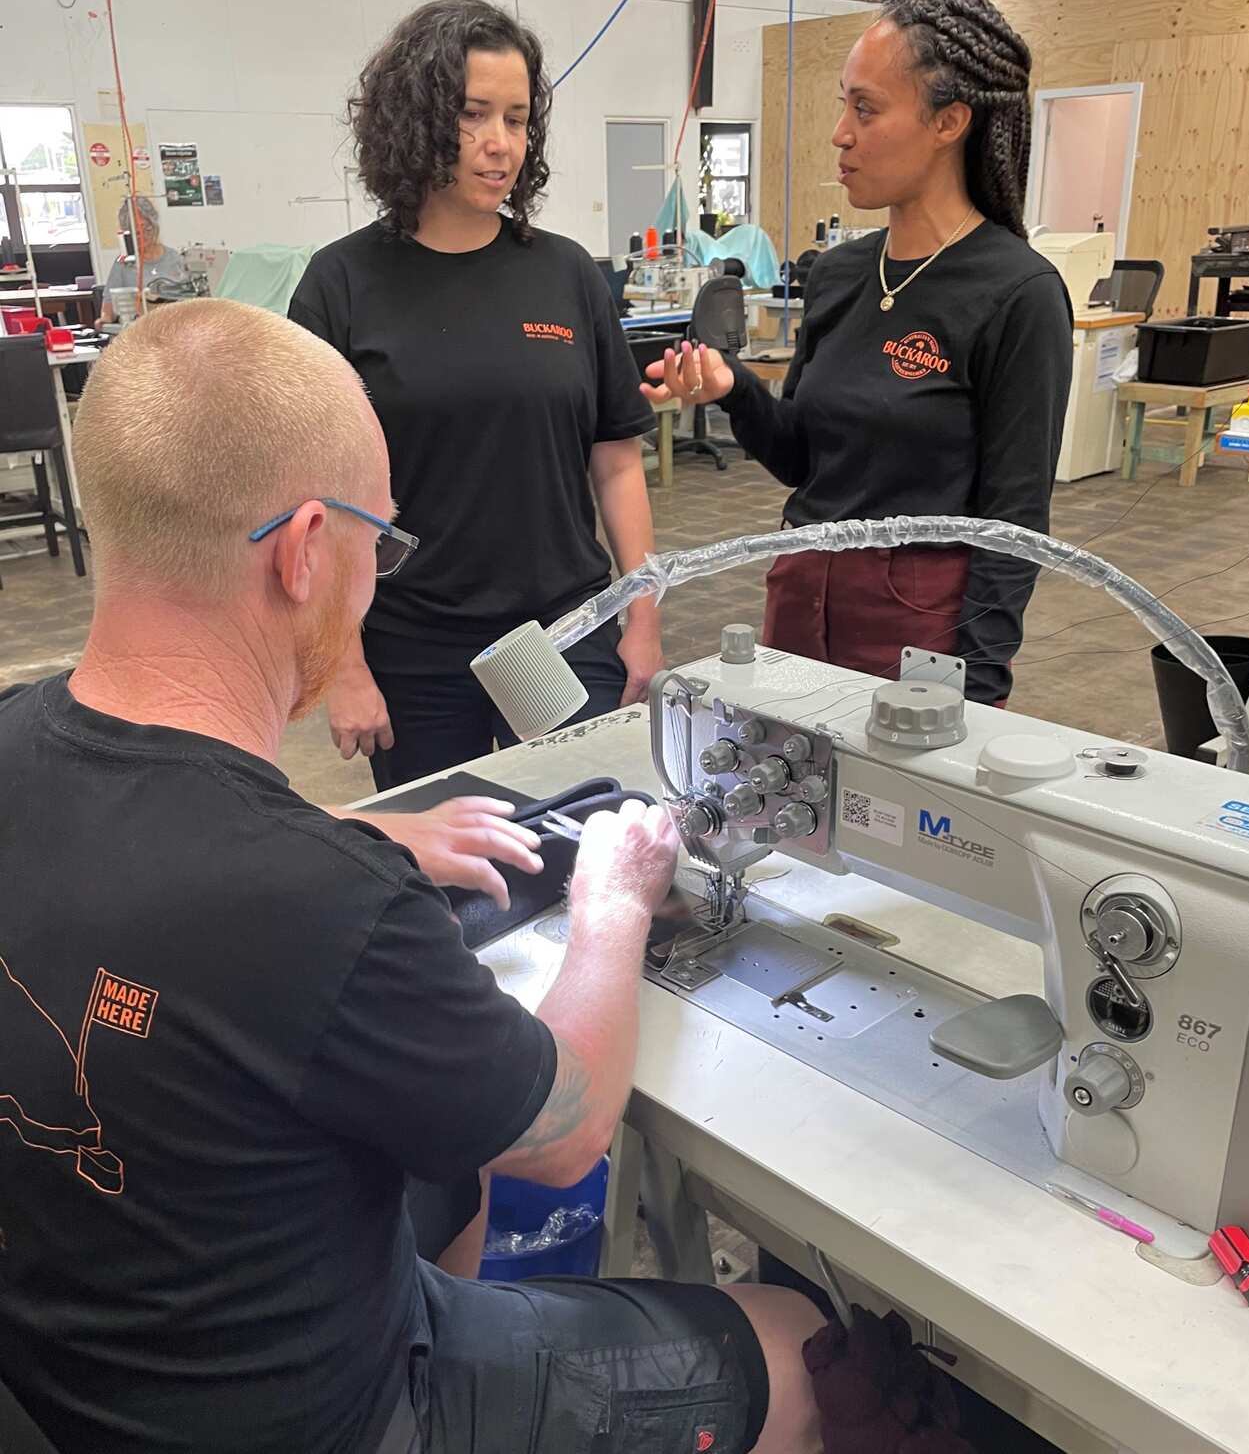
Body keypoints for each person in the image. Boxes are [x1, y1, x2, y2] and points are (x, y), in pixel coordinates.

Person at [0, 298, 823, 1454]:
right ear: (299, 552)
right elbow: (565, 1129)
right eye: (376, 545)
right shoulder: (311, 898)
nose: (376, 580)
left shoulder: (19, 740)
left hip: (75, 1363)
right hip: (312, 1416)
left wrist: (372, 834)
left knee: (450, 1172)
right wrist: (610, 906)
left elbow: (158, 863)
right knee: (794, 1343)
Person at [644, 0, 1073, 708]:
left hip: (919, 628)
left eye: (866, 110)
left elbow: (1015, 523)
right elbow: (804, 462)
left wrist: (975, 689)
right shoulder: (838, 273)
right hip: (800, 594)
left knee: (896, 815)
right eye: (844, 106)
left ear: (949, 122)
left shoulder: (1017, 292)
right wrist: (736, 389)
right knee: (791, 809)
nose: (840, 134)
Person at [289, 0, 663, 789]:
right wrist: (342, 667)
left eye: (519, 119)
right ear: (415, 120)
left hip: (562, 631)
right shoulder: (343, 283)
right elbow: (316, 501)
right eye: (472, 115)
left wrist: (644, 618)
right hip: (415, 644)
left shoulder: (568, 276)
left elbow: (618, 462)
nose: (501, 145)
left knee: (591, 855)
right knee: (453, 883)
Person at [96, 195, 185, 326]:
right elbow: (108, 310)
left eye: (147, 230)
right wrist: (103, 321)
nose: (143, 237)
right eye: (137, 233)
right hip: (139, 330)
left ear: (154, 227)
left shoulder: (174, 258)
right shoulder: (123, 263)